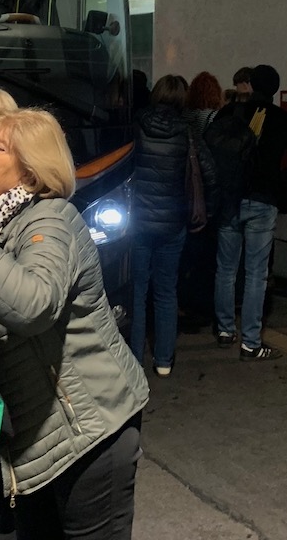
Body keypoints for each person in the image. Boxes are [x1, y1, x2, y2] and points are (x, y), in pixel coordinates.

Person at [0, 109, 149, 540]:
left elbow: (33, 306)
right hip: (36, 442)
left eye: (0, 147)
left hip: (89, 434)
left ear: (30, 173)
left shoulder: (50, 219)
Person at [210, 64, 287, 361]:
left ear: (251, 84)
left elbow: (209, 150)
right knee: (257, 273)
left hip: (230, 199)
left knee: (226, 268)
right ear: (275, 89)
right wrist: (278, 181)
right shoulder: (283, 119)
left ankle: (225, 329)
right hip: (263, 200)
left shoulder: (228, 113)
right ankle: (251, 342)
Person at [129, 75, 217, 374]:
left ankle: (134, 359)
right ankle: (164, 360)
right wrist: (207, 211)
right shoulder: (187, 131)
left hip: (138, 222)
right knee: (166, 291)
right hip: (173, 223)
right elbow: (209, 173)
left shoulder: (136, 124)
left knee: (137, 291)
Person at [178, 71, 225, 331]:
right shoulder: (213, 119)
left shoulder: (183, 118)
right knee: (205, 258)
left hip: (183, 193)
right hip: (203, 194)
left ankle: (183, 302)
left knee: (185, 255)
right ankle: (201, 307)